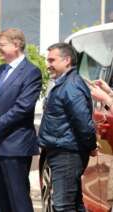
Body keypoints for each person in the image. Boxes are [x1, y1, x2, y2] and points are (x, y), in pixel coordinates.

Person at [0, 28, 42, 212]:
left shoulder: (31, 72)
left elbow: (22, 108)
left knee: (18, 200)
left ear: (16, 45)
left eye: (2, 45)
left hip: (15, 145)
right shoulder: (0, 70)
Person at [38, 43, 97, 211]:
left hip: (67, 153)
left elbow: (83, 123)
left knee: (63, 206)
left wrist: (91, 146)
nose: (48, 65)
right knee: (74, 204)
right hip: (63, 151)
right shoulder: (65, 83)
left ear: (66, 60)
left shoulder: (71, 86)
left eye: (52, 60)